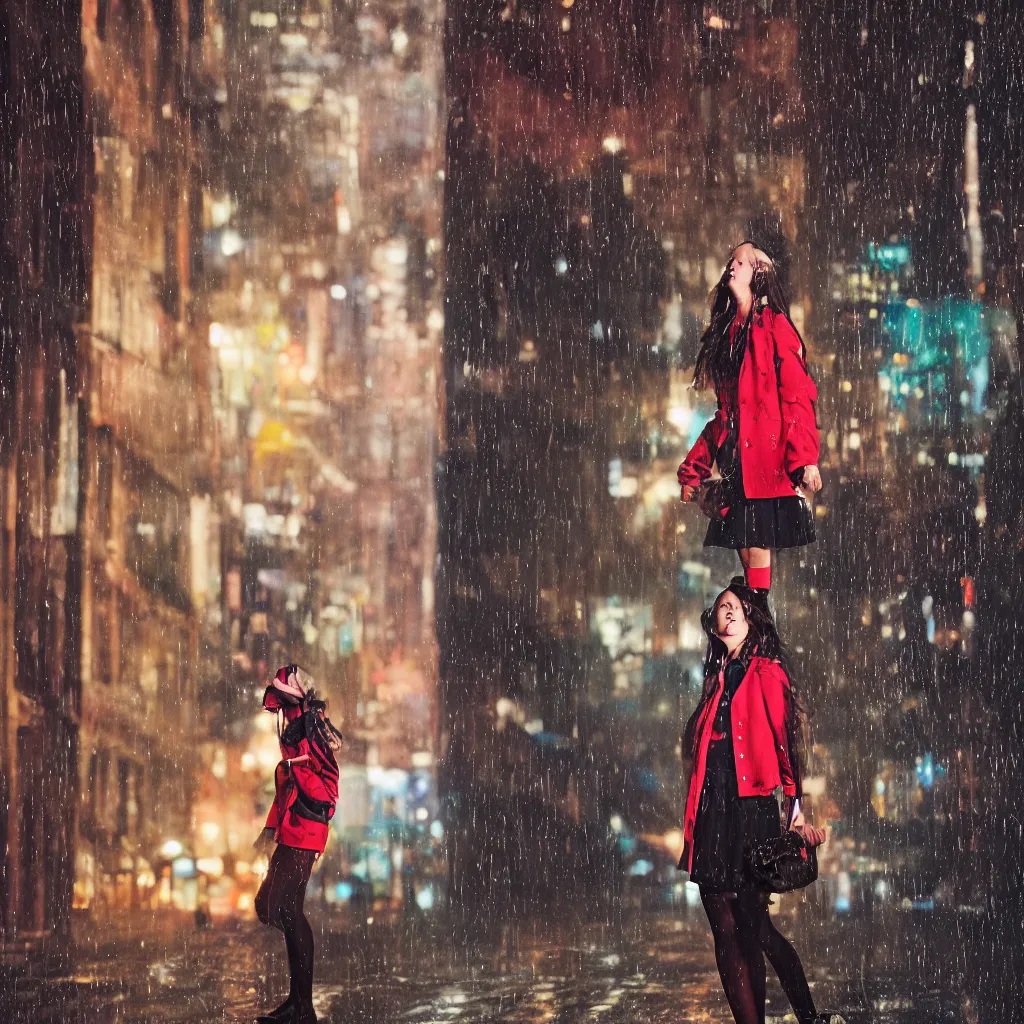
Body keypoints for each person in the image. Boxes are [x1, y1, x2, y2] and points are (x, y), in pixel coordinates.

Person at [680, 580, 838, 1024]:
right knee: (723, 929)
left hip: (751, 810)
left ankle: (807, 1015)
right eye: (720, 609)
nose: (726, 613)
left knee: (755, 929)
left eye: (734, 607)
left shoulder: (767, 671)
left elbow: (787, 742)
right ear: (713, 625)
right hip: (713, 812)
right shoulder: (713, 680)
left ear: (750, 618)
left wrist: (795, 804)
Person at [678, 242, 822, 603]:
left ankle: (758, 632)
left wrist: (804, 457)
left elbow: (797, 395)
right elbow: (723, 418)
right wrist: (692, 470)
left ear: (758, 274)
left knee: (755, 550)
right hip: (737, 463)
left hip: (764, 463)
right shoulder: (727, 334)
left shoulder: (775, 327)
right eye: (732, 260)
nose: (732, 266)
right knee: (746, 553)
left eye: (741, 262)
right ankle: (755, 626)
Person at [254, 666, 342, 1024]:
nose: (282, 713)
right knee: (269, 905)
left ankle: (302, 1007)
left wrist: (309, 797)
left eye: (286, 704)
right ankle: (298, 1003)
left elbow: (328, 784)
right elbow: (287, 783)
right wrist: (270, 826)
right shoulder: (293, 736)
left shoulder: (309, 730)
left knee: (285, 909)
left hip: (305, 830)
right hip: (290, 829)